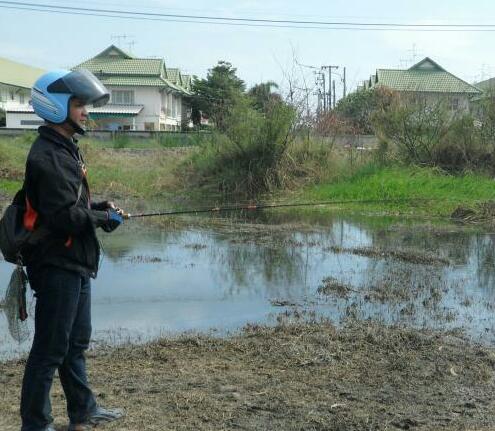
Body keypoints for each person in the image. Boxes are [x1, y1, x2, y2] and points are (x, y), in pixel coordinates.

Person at [20, 69, 125, 431]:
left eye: (85, 104)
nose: (85, 112)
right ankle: (35, 424)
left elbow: (74, 205)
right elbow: (64, 217)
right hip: (56, 264)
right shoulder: (47, 156)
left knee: (75, 343)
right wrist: (98, 218)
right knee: (49, 350)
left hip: (75, 261)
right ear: (56, 106)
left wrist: (103, 211)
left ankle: (83, 412)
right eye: (78, 104)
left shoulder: (65, 149)